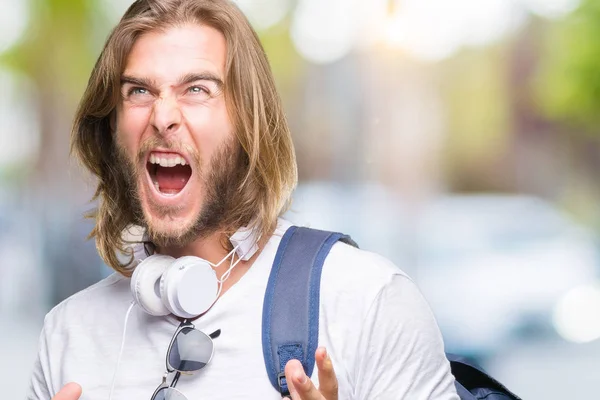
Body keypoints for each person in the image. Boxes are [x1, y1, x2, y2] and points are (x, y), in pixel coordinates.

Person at [27, 1, 460, 399]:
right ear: (112, 126)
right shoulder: (67, 335)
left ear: (248, 122)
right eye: (139, 91)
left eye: (196, 89)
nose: (162, 116)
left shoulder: (368, 302)